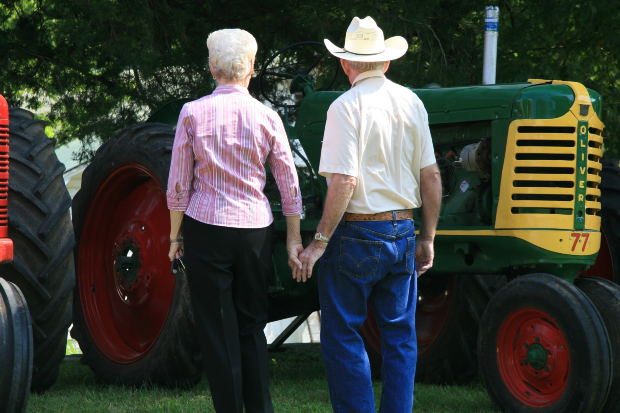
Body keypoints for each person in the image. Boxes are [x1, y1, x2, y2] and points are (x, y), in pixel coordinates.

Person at [295, 16, 442, 413]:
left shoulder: (345, 107)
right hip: (404, 228)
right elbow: (430, 175)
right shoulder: (412, 102)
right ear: (386, 62)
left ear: (346, 64)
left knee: (343, 333)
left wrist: (318, 242)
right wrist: (427, 237)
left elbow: (344, 181)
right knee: (400, 335)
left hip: (358, 233)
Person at [166, 28, 303, 413]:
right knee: (251, 326)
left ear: (212, 68)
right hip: (255, 231)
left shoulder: (192, 112)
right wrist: (293, 239)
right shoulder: (267, 116)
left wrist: (174, 237)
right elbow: (289, 184)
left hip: (205, 228)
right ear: (252, 68)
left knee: (216, 331)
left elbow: (179, 183)